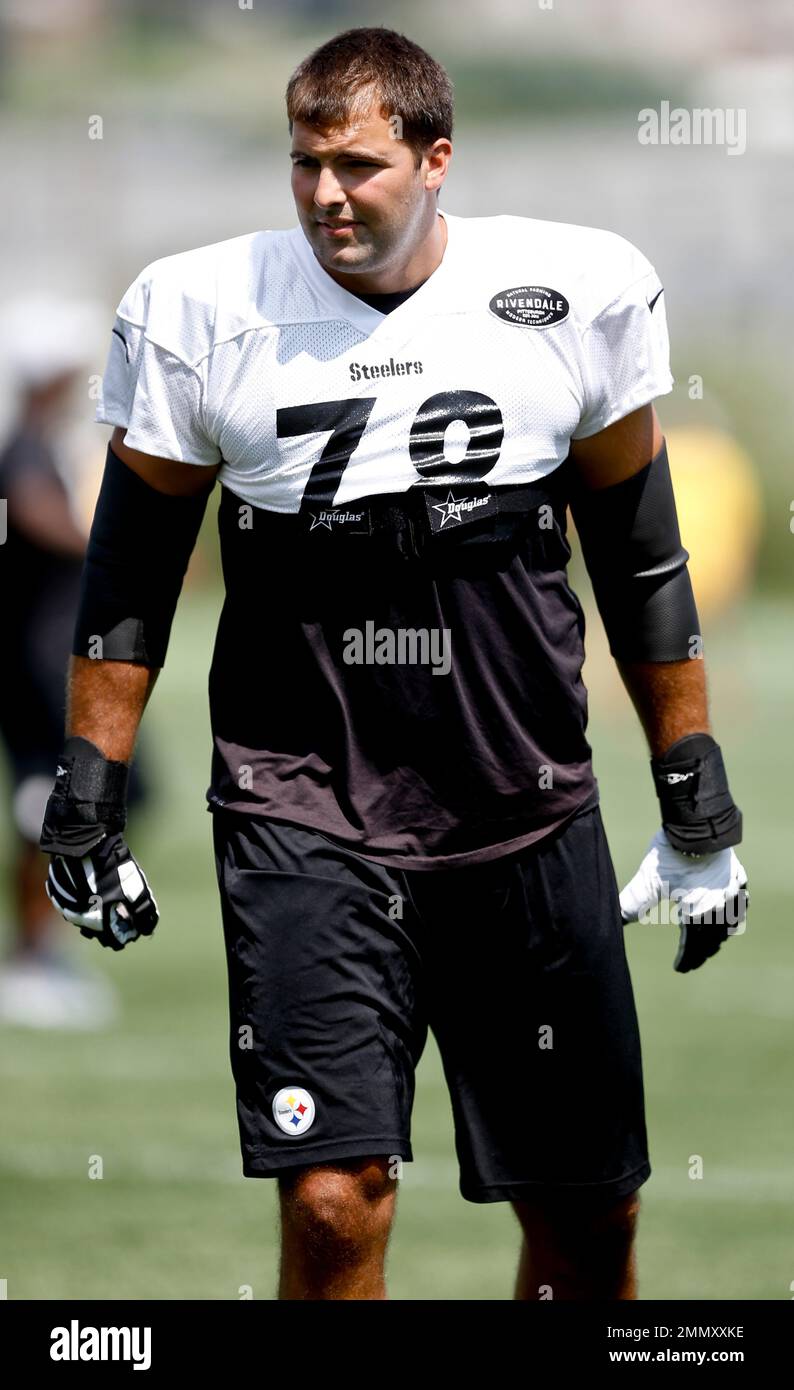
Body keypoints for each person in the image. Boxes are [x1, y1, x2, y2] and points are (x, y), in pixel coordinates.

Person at [38, 27, 747, 1299]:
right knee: (330, 1195)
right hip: (300, 802)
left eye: (356, 165)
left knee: (588, 1213)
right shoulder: (201, 308)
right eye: (304, 162)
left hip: (521, 804)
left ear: (435, 159)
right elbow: (130, 574)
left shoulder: (572, 290)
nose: (324, 194)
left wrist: (690, 780)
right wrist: (85, 787)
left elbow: (639, 556)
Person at [0, 297, 149, 1029]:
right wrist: (111, 545)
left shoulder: (49, 443)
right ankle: (32, 957)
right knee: (47, 802)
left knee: (109, 794)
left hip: (57, 659)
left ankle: (44, 948)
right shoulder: (23, 449)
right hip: (39, 668)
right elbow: (30, 514)